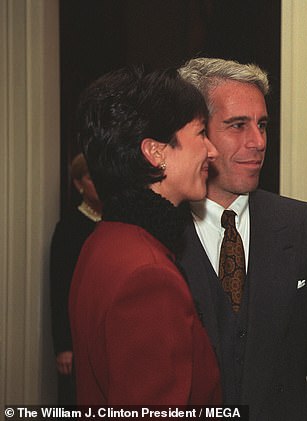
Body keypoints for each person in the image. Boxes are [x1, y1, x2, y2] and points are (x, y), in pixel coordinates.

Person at [177, 57, 307, 420]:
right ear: (198, 133)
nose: (258, 142)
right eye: (237, 125)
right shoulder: (157, 236)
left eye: (262, 125)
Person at [69, 67, 222, 404]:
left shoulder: (105, 240)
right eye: (200, 134)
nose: (212, 151)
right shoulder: (148, 276)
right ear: (156, 152)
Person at [49, 153, 102, 405]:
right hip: (76, 339)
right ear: (79, 184)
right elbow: (59, 288)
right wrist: (63, 346)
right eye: (92, 178)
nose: (99, 184)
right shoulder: (68, 227)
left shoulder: (116, 222)